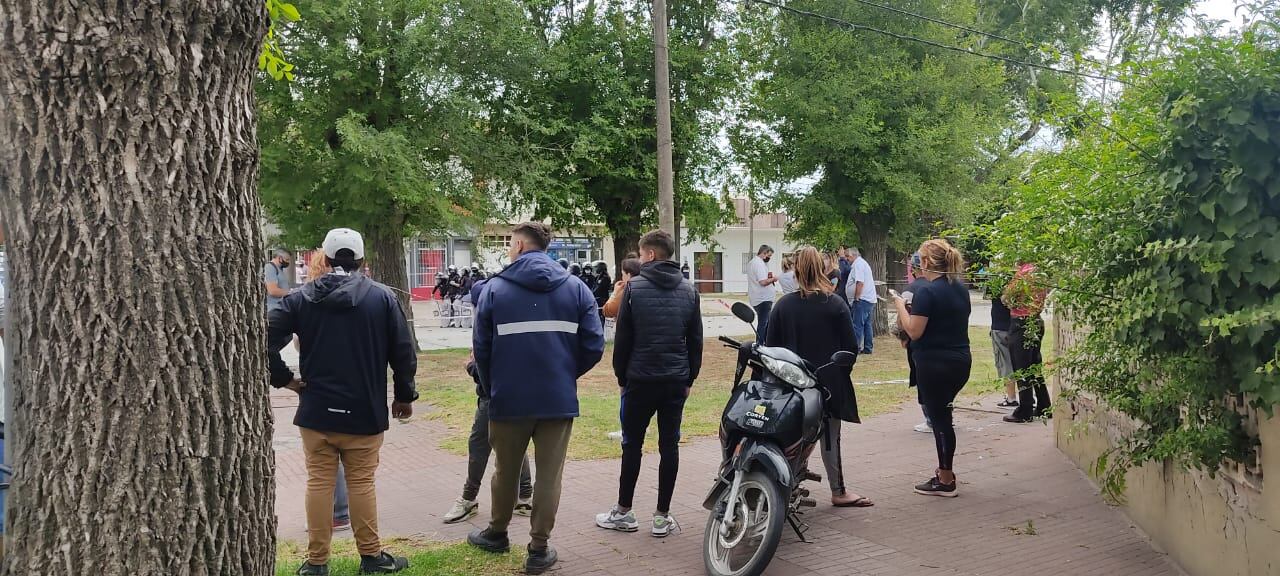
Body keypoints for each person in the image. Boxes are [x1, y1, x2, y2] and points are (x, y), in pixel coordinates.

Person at [268, 228, 419, 574]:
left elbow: (262, 340)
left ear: (326, 257)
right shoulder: (381, 298)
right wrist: (404, 395)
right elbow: (403, 350)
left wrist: (287, 380)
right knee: (362, 482)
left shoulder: (301, 298)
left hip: (316, 410)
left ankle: (317, 562)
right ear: (362, 260)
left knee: (319, 482)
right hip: (364, 411)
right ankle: (371, 557)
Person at [467, 222, 606, 575]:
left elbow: (481, 349)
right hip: (556, 398)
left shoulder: (494, 290)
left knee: (505, 469)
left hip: (508, 397)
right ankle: (538, 548)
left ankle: (497, 533)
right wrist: (564, 375)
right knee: (549, 476)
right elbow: (594, 344)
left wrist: (492, 383)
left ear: (517, 245)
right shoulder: (576, 288)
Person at [596, 230, 703, 537]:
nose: (639, 258)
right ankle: (661, 516)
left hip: (639, 379)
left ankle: (624, 511)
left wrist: (621, 377)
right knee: (669, 445)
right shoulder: (689, 291)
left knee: (632, 445)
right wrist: (690, 377)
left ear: (651, 254)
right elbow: (695, 340)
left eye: (641, 254)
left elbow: (624, 339)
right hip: (675, 379)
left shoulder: (635, 288)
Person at [764, 246, 873, 508]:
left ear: (796, 270)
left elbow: (770, 347)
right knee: (829, 437)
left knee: (787, 436)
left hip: (790, 382)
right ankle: (838, 490)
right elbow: (850, 347)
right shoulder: (834, 304)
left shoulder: (783, 305)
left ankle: (781, 484)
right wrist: (839, 373)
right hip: (826, 382)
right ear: (823, 269)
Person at [891, 239, 971, 498]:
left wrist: (901, 307)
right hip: (960, 359)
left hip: (934, 362)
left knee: (941, 421)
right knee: (944, 415)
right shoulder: (960, 288)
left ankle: (945, 478)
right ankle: (945, 473)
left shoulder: (926, 291)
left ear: (925, 262)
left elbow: (914, 331)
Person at [442, 353, 535, 524]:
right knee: (514, 443)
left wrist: (471, 365)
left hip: (495, 396)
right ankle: (525, 498)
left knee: (480, 445)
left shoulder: (493, 327)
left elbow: (488, 369)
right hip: (514, 394)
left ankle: (469, 498)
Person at [1002, 263, 1050, 423]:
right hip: (1036, 321)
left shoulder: (1023, 273)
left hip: (1021, 323)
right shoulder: (1040, 272)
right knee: (1034, 366)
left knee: (1021, 368)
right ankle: (1044, 405)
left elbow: (1006, 298)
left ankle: (1025, 409)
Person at [989, 283, 1018, 408]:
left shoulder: (997, 282)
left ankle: (1011, 398)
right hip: (1015, 326)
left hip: (1000, 327)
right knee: (1019, 362)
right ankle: (1024, 396)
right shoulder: (1019, 279)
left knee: (1005, 363)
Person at [846, 247, 877, 355]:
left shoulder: (858, 265)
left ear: (853, 256)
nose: (847, 259)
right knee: (867, 324)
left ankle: (856, 348)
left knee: (857, 325)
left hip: (862, 299)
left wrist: (856, 297)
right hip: (869, 299)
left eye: (848, 256)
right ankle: (868, 347)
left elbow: (860, 282)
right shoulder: (862, 263)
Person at [746, 245, 778, 339]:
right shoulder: (759, 264)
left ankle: (762, 343)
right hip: (763, 299)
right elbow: (763, 282)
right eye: (768, 255)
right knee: (763, 324)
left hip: (757, 298)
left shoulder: (752, 263)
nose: (768, 258)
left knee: (765, 323)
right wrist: (773, 279)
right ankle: (760, 345)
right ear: (764, 253)